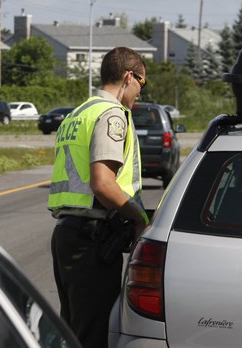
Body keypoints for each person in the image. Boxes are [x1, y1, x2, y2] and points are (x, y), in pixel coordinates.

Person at [48, 47, 150, 348]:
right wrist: (139, 218)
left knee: (76, 331)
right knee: (94, 335)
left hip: (67, 234)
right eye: (142, 84)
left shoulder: (78, 113)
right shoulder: (112, 115)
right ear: (129, 76)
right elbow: (103, 184)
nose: (141, 93)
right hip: (91, 240)